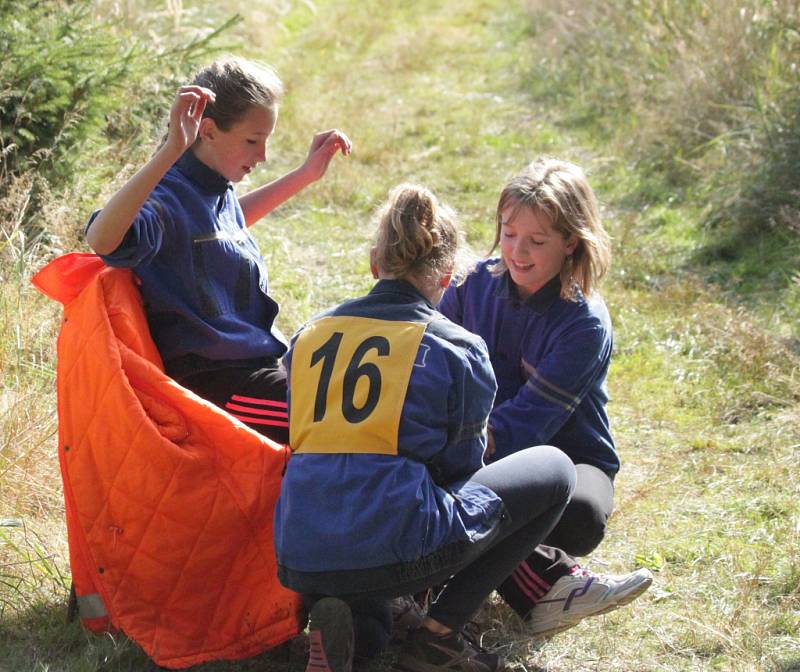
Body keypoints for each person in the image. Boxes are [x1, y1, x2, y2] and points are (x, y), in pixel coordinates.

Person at [274, 184, 578, 672]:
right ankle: (439, 635)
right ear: (448, 274)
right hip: (395, 541)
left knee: (368, 616)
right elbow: (462, 472)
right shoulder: (458, 348)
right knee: (556, 470)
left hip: (298, 548)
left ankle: (347, 626)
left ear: (376, 262)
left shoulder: (308, 335)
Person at [85, 56, 351, 444]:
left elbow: (224, 227)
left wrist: (304, 175)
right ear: (207, 132)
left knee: (363, 400)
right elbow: (102, 240)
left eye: (266, 141)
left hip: (255, 370)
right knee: (348, 424)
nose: (261, 156)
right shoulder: (169, 195)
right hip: (218, 386)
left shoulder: (213, 185)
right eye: (252, 140)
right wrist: (171, 149)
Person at [437, 157, 652, 638]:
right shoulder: (471, 285)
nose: (517, 251)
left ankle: (448, 551)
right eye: (509, 233)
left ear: (571, 241)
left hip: (566, 457)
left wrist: (447, 459)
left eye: (537, 241)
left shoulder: (583, 322)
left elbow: (525, 425)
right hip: (470, 442)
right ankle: (551, 588)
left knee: (578, 517)